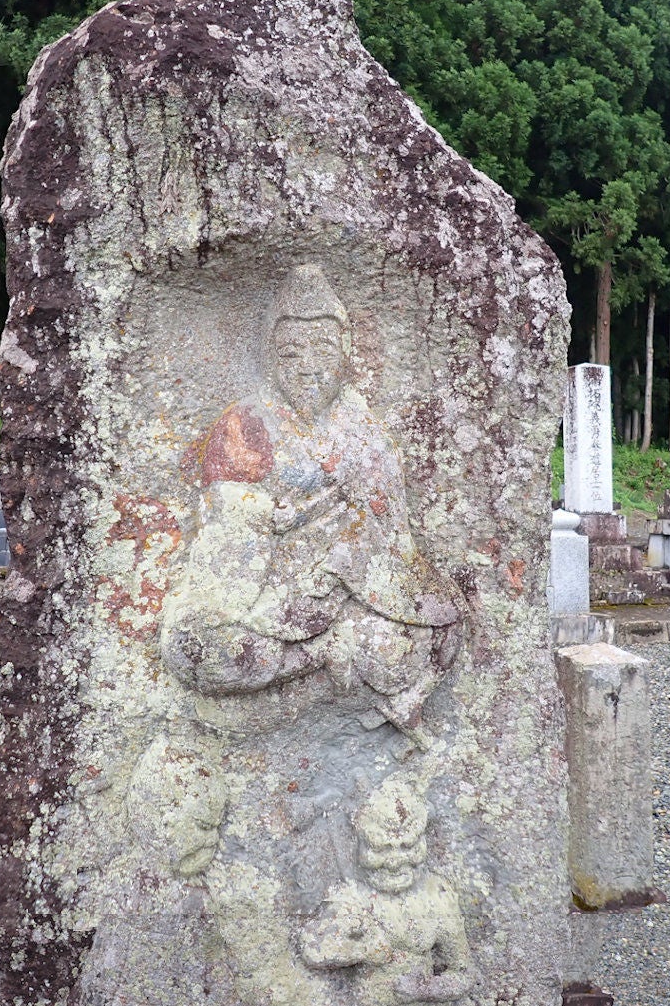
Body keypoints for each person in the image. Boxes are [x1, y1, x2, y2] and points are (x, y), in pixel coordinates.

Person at [161, 263, 462, 737]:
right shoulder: (244, 424)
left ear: (345, 353)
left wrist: (352, 549)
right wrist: (269, 520)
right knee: (194, 648)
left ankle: (299, 693)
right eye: (291, 351)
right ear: (269, 356)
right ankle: (319, 667)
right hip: (265, 594)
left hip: (353, 592)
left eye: (322, 348)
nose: (308, 364)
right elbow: (223, 544)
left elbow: (397, 543)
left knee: (418, 637)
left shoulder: (367, 436)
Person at [79, 740, 279, 1006]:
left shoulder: (196, 896)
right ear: (155, 818)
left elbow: (212, 965)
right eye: (202, 826)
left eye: (216, 828)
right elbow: (106, 963)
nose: (212, 840)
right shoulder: (126, 887)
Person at [298, 779, 484, 1006]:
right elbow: (312, 948)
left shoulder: (436, 898)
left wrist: (428, 989)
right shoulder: (351, 897)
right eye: (382, 849)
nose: (396, 861)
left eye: (407, 847)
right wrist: (357, 948)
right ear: (361, 846)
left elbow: (465, 972)